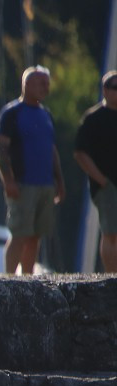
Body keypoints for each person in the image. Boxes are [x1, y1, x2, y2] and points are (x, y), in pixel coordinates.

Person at [0, 65, 66, 275]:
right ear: (27, 84)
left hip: (44, 184)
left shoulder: (46, 115)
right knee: (19, 234)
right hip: (23, 183)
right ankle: (9, 277)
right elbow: (0, 147)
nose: (46, 87)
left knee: (35, 235)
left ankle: (27, 278)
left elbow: (51, 150)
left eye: (47, 83)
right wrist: (8, 180)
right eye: (41, 83)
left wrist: (59, 181)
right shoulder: (12, 113)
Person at [73, 70, 117, 272]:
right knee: (111, 233)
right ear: (105, 90)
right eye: (115, 88)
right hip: (107, 185)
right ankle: (112, 277)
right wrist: (102, 180)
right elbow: (80, 153)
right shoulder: (93, 118)